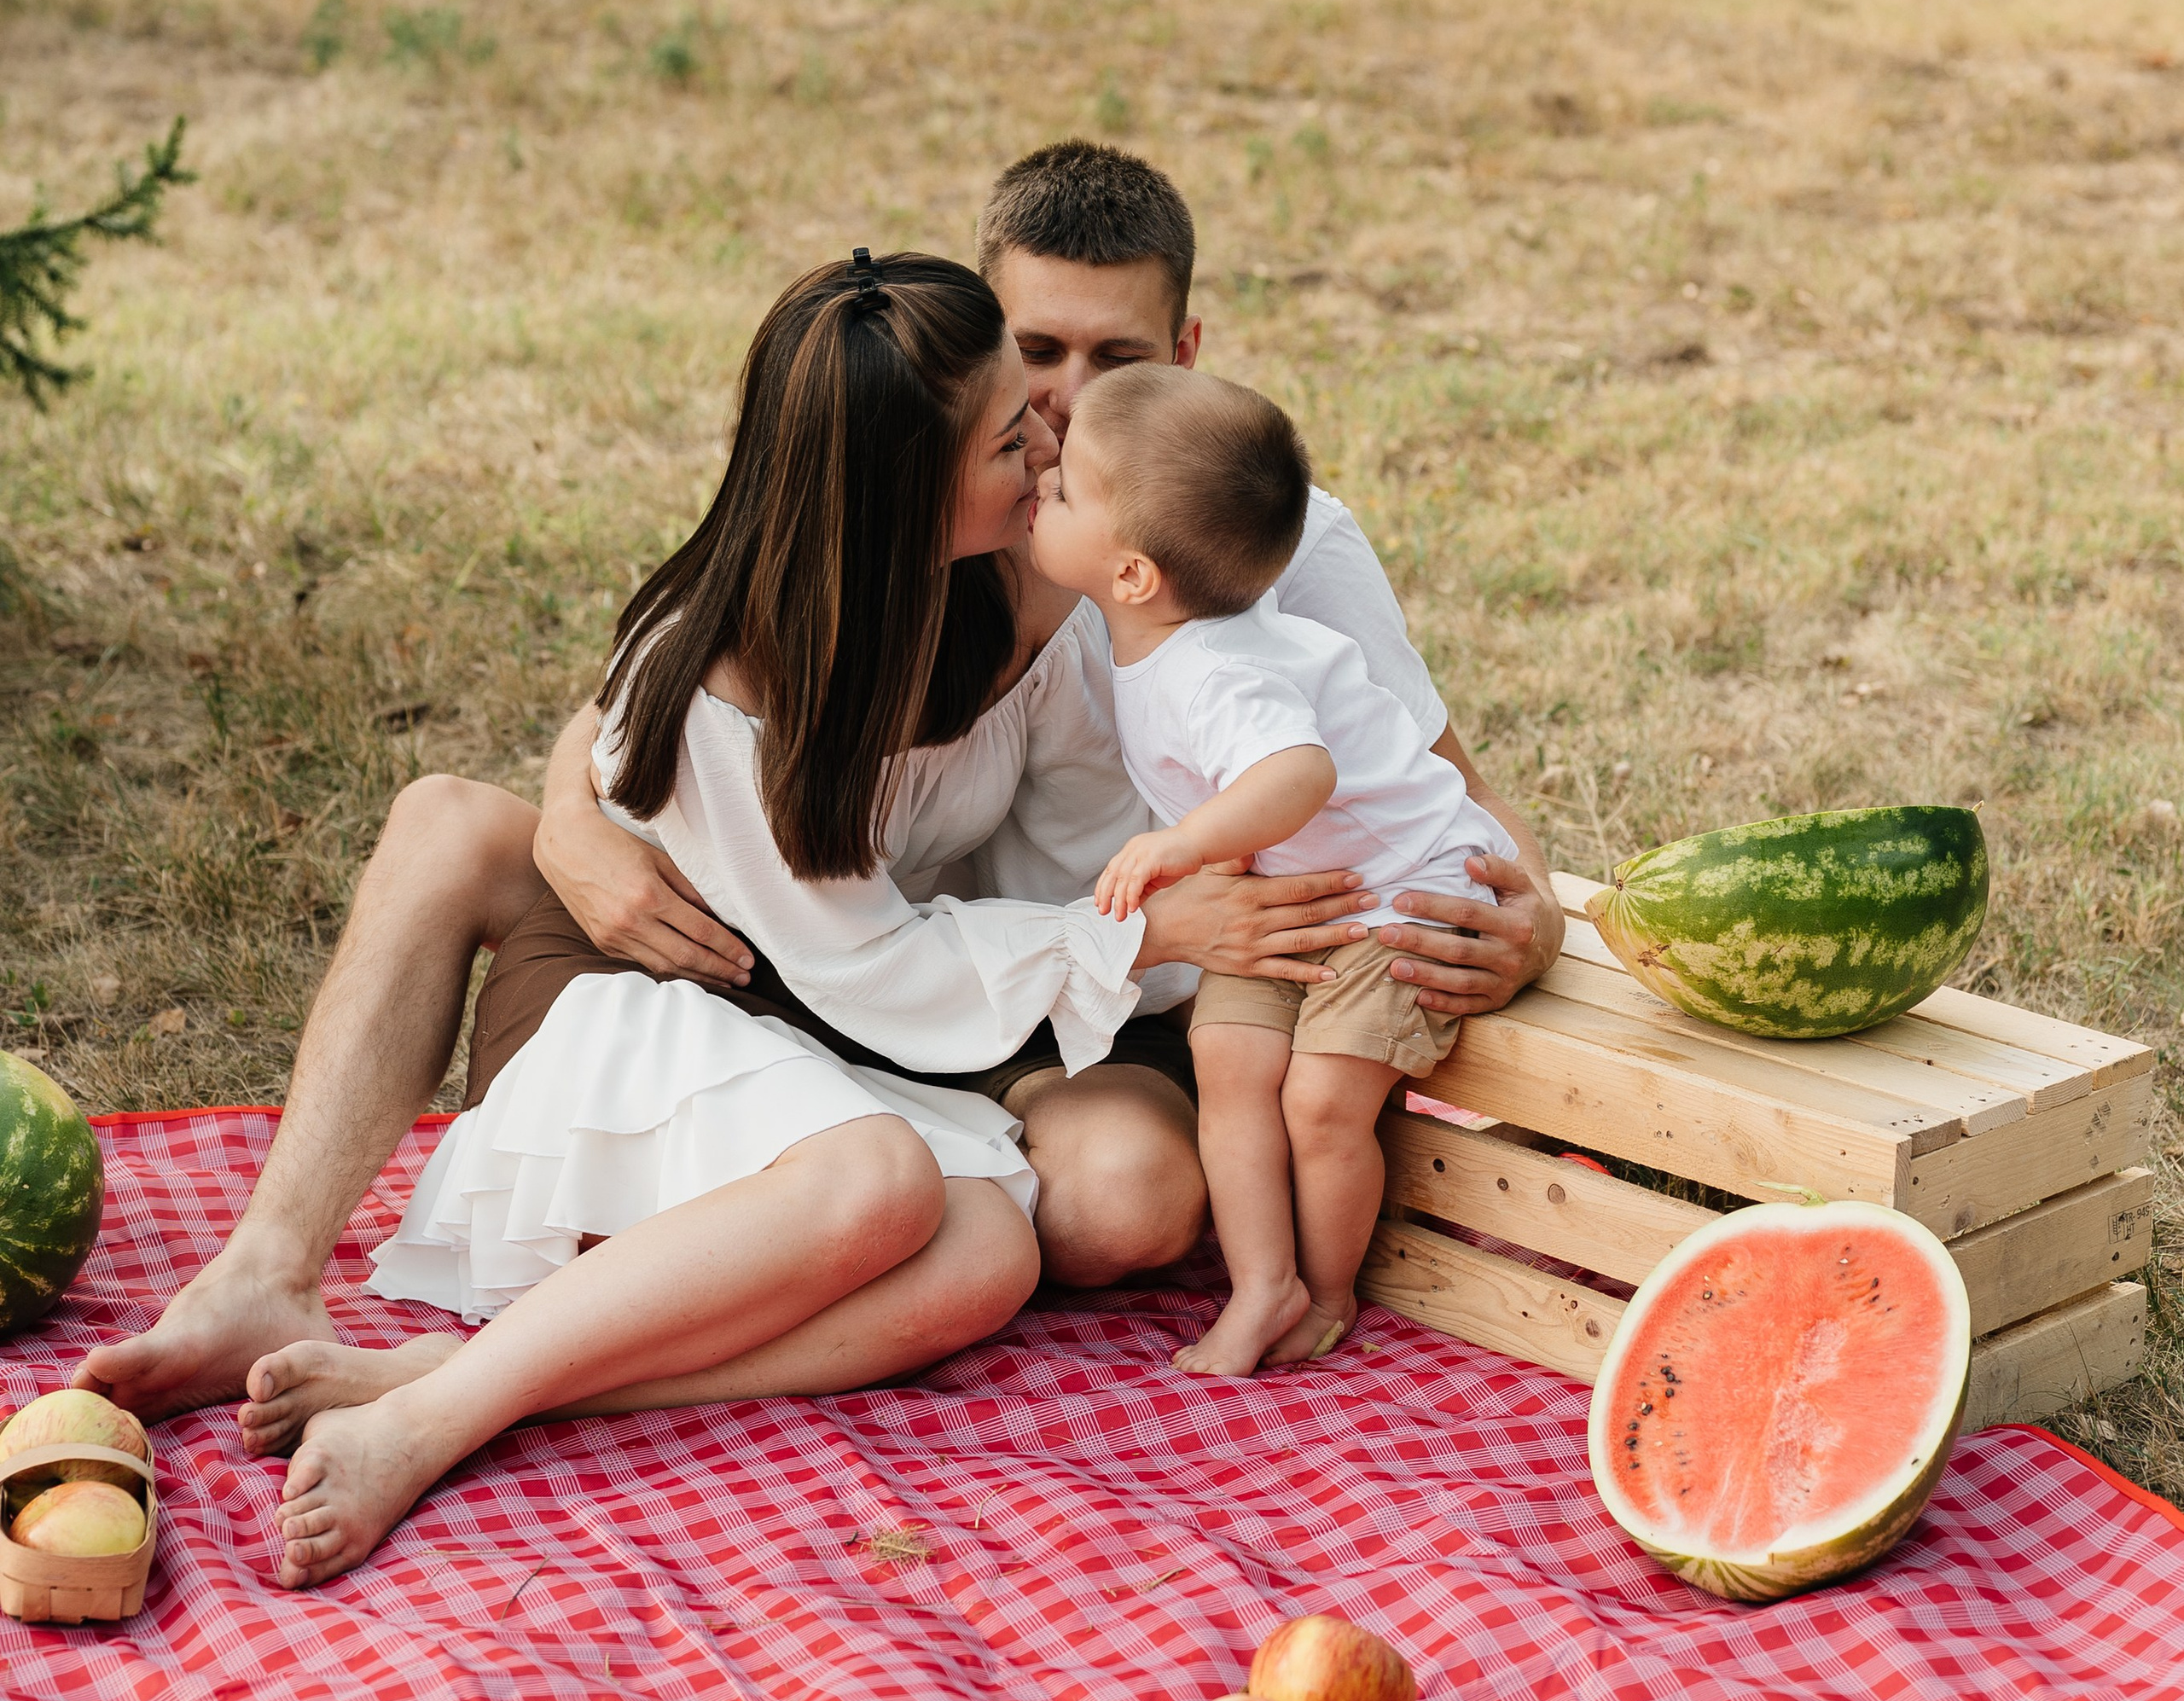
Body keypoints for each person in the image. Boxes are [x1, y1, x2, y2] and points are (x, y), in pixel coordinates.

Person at [83, 143, 1562, 1428]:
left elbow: (1426, 784)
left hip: (1014, 997)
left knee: (1102, 1206)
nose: (1061, 418)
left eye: (1121, 366)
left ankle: (553, 1336)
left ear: (1192, 341)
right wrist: (576, 826)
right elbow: (664, 704)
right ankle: (264, 1272)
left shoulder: (1245, 529)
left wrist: (1536, 915)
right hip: (839, 966)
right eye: (1032, 368)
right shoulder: (904, 510)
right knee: (450, 820)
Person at [263, 250, 1193, 1586]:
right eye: (1010, 431)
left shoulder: (1019, 583)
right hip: (642, 1007)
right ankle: (435, 1420)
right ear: (903, 496)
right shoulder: (722, 677)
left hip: (831, 1033)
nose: (1049, 434)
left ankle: (487, 1377)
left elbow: (1068, 851)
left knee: (987, 1248)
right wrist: (1145, 938)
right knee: (883, 1187)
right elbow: (867, 966)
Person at [1035, 362, 1519, 1374]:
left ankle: (1330, 1291)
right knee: (1231, 1067)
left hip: (1401, 892)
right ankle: (1262, 1284)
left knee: (1318, 1101)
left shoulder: (1215, 667)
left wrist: (1182, 843)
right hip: (1295, 894)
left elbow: (1299, 770)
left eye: (1065, 488)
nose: (1042, 481)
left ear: (1131, 573)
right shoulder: (1156, 638)